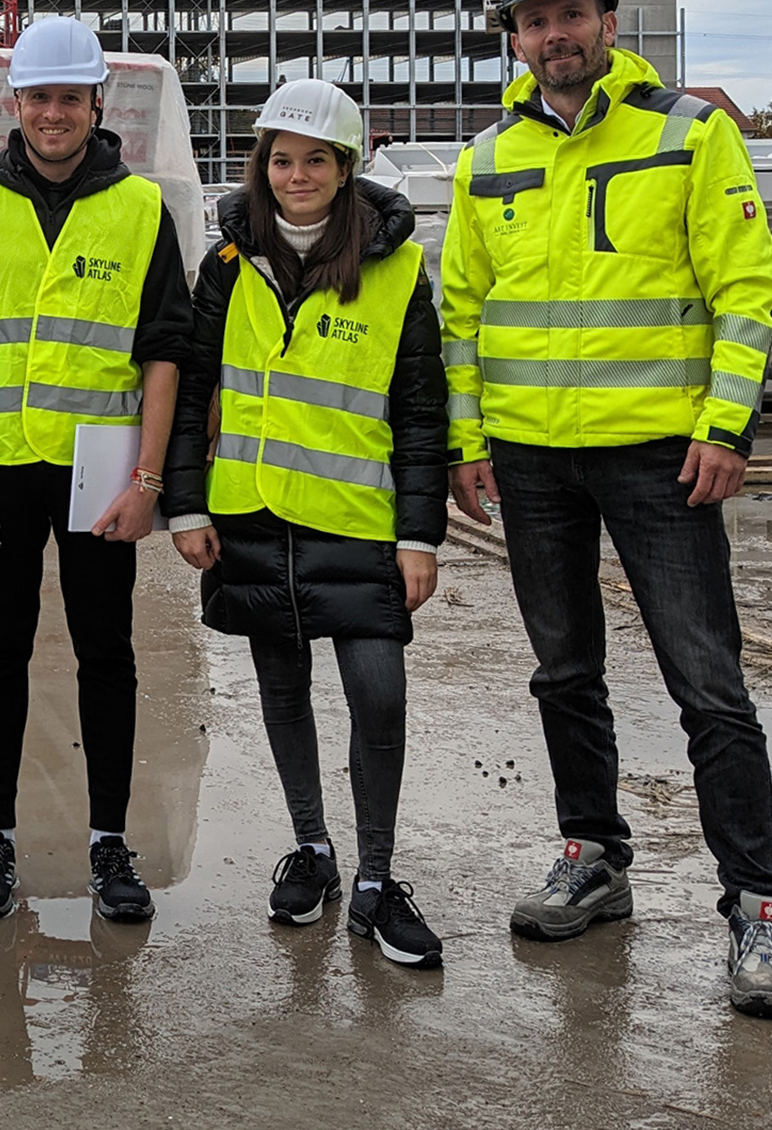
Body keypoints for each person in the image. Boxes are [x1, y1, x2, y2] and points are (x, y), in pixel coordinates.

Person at [442, 0, 772, 1018]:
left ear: (606, 20)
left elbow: (742, 287)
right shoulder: (485, 160)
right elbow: (461, 314)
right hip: (532, 459)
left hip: (659, 457)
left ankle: (757, 908)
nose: (552, 37)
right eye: (531, 21)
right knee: (563, 672)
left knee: (707, 685)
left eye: (568, 16)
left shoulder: (689, 136)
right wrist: (468, 443)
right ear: (511, 39)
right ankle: (591, 857)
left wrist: (726, 424)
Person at [162, 79, 448, 968]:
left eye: (315, 159)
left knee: (378, 696)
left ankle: (376, 872)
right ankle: (314, 849)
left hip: (358, 521)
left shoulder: (397, 267)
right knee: (282, 692)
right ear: (261, 166)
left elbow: (420, 409)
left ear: (346, 167)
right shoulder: (226, 264)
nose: (297, 175)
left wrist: (419, 536)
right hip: (250, 517)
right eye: (281, 160)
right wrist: (186, 502)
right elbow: (192, 392)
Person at [0, 15, 193, 924]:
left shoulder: (142, 207)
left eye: (70, 98)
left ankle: (109, 843)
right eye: (39, 97)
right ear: (17, 104)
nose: (54, 114)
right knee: (0, 652)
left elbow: (163, 353)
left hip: (99, 477)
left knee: (107, 654)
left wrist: (147, 483)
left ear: (94, 104)